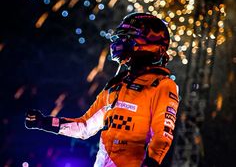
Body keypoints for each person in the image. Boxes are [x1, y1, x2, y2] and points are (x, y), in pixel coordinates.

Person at [25, 12, 179, 166]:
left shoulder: (162, 85)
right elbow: (84, 127)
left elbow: (162, 137)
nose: (119, 42)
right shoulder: (116, 85)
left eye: (127, 37)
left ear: (149, 42)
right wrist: (43, 122)